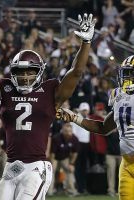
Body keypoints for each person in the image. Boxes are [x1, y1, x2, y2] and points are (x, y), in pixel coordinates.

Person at [0, 6, 96, 199]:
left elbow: (76, 72)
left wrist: (86, 42)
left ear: (39, 71)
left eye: (29, 71)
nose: (24, 76)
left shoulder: (50, 91)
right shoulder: (4, 88)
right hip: (11, 164)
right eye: (20, 72)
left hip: (36, 166)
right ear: (12, 72)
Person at [56, 55, 134, 200]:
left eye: (132, 74)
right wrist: (74, 117)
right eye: (127, 73)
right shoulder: (120, 97)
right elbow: (103, 128)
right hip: (127, 164)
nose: (128, 78)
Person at [48, 123, 79, 196]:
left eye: (70, 131)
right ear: (62, 131)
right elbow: (52, 153)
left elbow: (75, 153)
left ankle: (71, 191)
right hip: (55, 158)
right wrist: (52, 163)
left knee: (69, 171)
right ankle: (49, 192)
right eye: (66, 131)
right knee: (51, 172)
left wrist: (71, 164)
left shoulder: (74, 138)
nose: (68, 133)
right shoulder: (56, 138)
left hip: (65, 158)